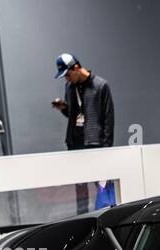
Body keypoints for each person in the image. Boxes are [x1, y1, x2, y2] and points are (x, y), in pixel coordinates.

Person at [51, 52, 114, 213]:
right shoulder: (69, 87)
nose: (67, 79)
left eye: (68, 75)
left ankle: (108, 212)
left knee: (102, 183)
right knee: (80, 185)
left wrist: (107, 148)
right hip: (75, 142)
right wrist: (63, 108)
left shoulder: (100, 86)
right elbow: (73, 115)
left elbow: (108, 118)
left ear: (76, 68)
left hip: (95, 143)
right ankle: (83, 216)